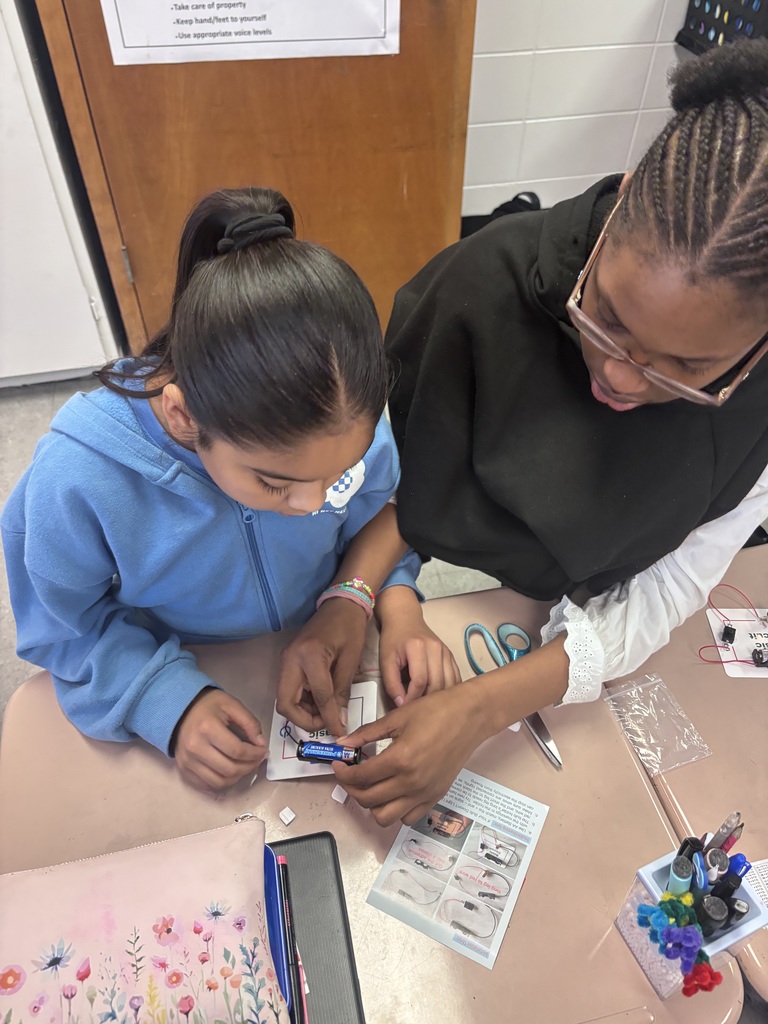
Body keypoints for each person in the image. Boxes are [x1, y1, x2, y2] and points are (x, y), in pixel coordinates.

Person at [333, 40, 768, 825]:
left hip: (539, 623)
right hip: (445, 602)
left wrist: (480, 709)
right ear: (623, 206)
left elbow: (671, 585)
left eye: (686, 367)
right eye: (606, 317)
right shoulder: (472, 292)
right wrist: (359, 593)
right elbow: (369, 490)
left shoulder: (755, 418)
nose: (622, 378)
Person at [1, 187, 459, 792]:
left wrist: (373, 599)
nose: (316, 504)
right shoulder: (78, 478)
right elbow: (64, 628)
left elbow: (382, 513)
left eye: (338, 475)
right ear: (183, 417)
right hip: (188, 668)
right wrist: (165, 701)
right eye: (275, 483)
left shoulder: (346, 422)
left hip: (320, 642)